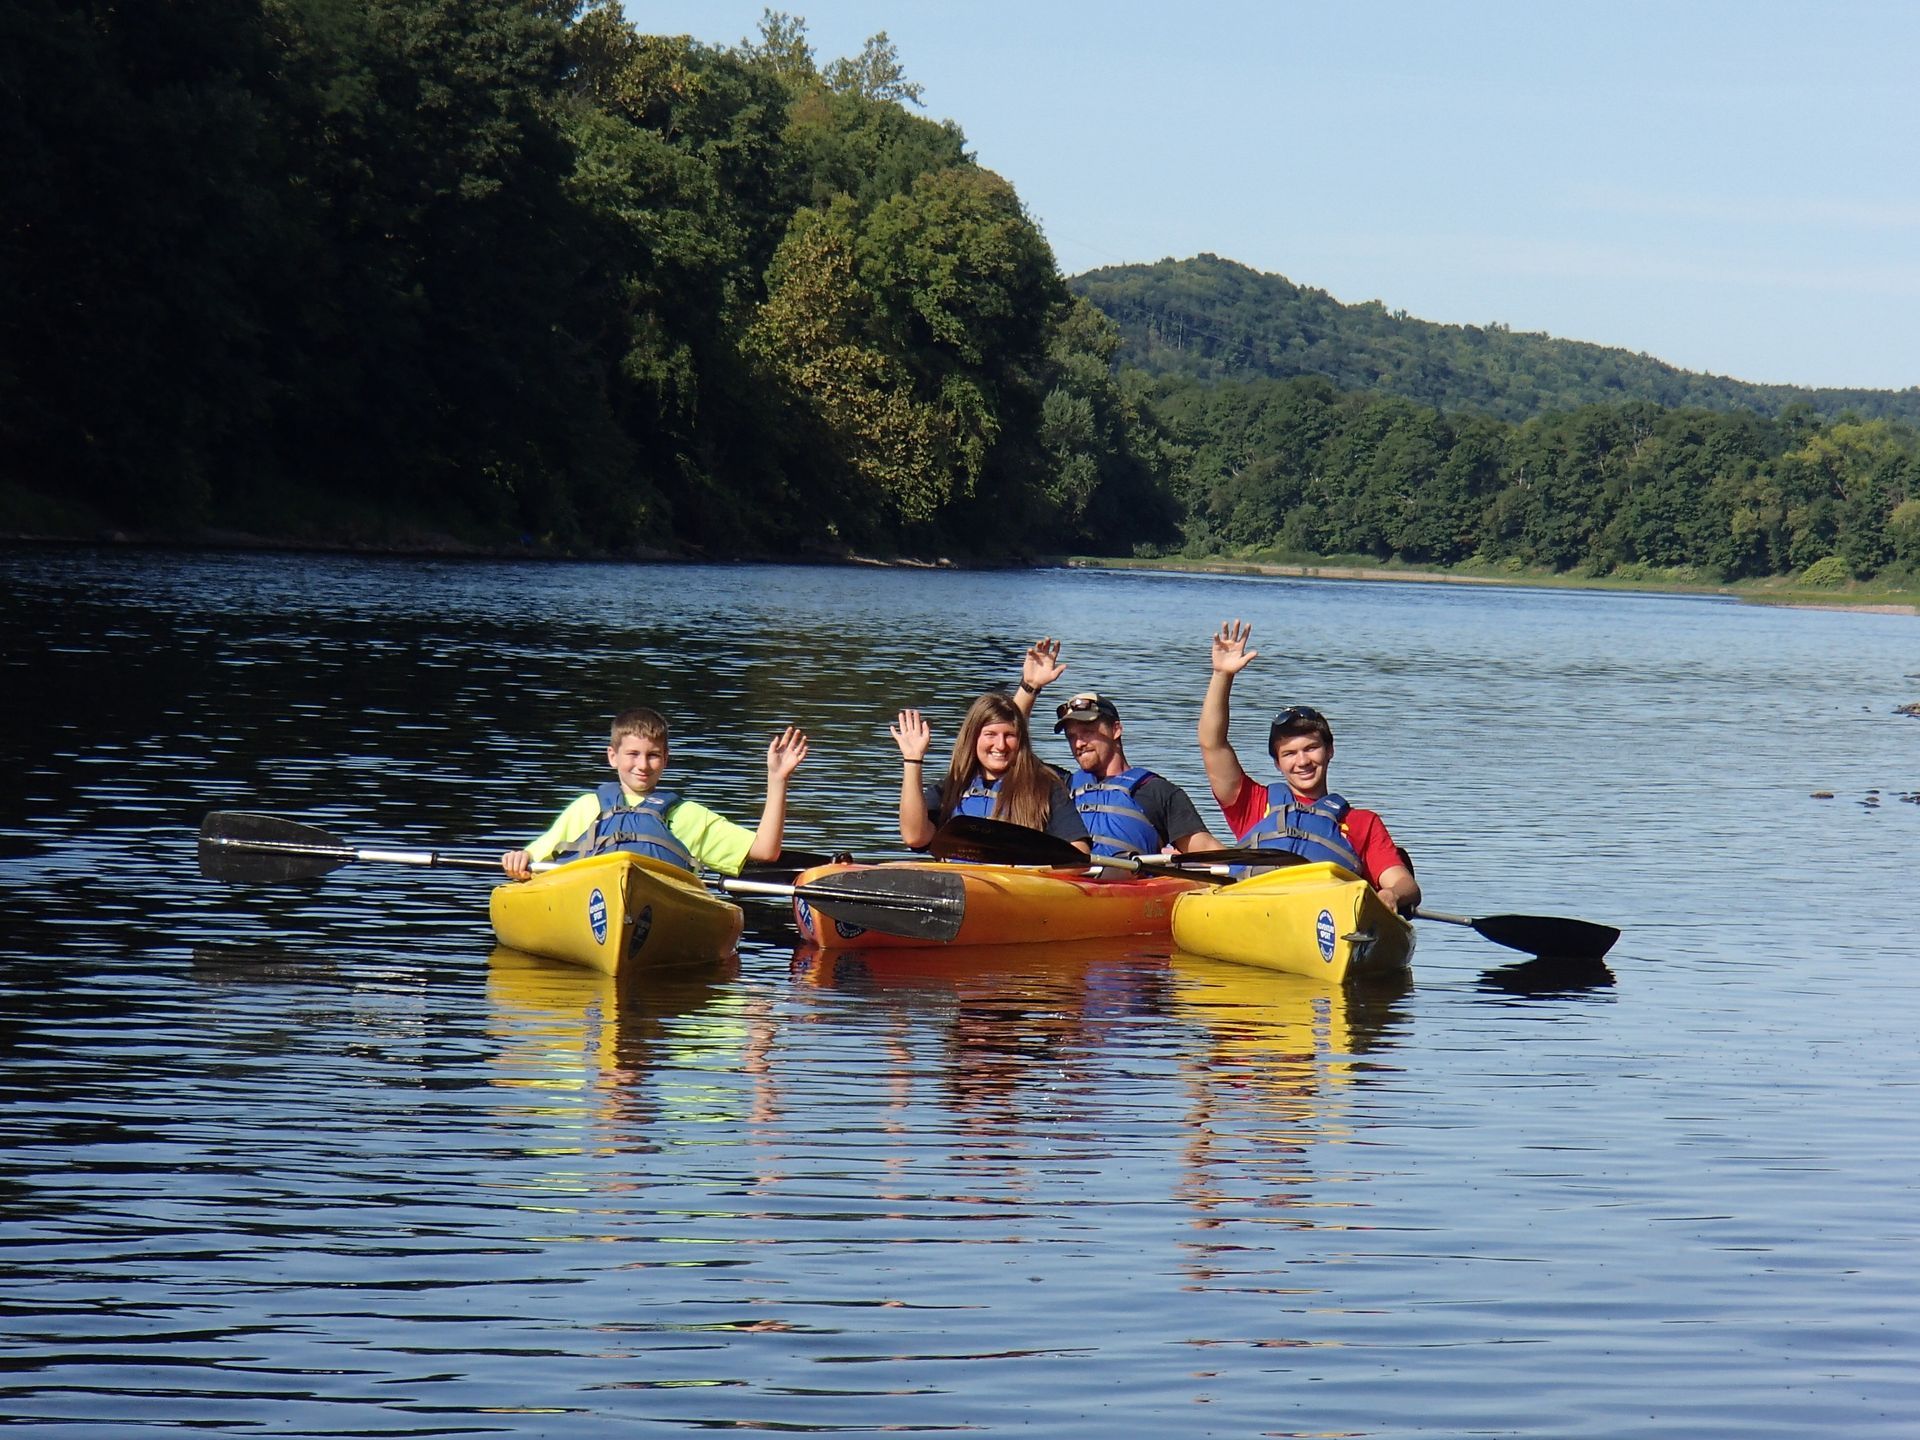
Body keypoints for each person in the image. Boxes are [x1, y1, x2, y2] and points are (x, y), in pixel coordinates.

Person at [1197, 619, 1420, 913]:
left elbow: (1405, 884)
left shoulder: (1363, 824)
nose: (1302, 761)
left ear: (1330, 751)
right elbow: (1213, 743)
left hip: (1322, 922)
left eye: (1311, 748)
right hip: (1256, 911)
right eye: (1289, 753)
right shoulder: (1253, 803)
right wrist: (1222, 675)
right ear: (1277, 763)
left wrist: (1392, 894)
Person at [500, 706, 807, 880]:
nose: (642, 765)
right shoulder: (586, 807)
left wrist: (777, 779)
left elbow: (766, 851)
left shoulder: (686, 816)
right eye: (632, 754)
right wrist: (519, 860)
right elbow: (534, 855)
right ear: (612, 757)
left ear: (666, 759)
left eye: (653, 755)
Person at [1010, 637, 1222, 858]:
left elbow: (1206, 850)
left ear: (1116, 730)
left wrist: (1246, 873)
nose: (1079, 743)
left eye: (1088, 731)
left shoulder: (1157, 792)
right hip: (1063, 883)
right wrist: (1030, 687)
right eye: (1072, 737)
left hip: (1125, 886)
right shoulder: (1061, 787)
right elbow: (1009, 749)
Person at [891, 691, 1091, 853]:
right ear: (973, 738)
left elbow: (1079, 851)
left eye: (1009, 735)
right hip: (960, 884)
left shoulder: (1046, 787)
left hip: (1017, 889)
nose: (1000, 745)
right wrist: (913, 760)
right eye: (990, 735)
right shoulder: (952, 788)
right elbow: (915, 837)